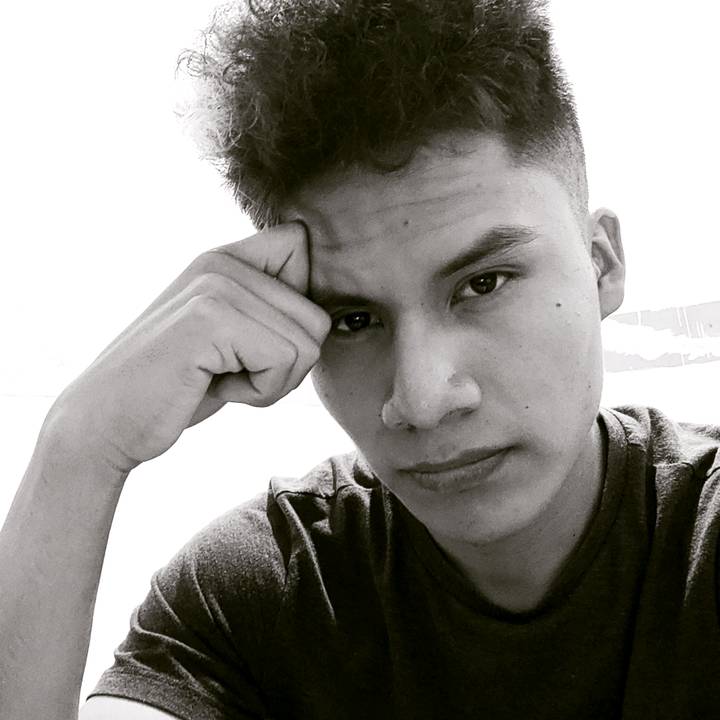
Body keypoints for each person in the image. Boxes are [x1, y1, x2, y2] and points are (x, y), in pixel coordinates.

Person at [1, 0, 718, 718]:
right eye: (353, 320)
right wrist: (78, 450)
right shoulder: (263, 595)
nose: (422, 399)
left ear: (600, 264)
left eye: (483, 284)